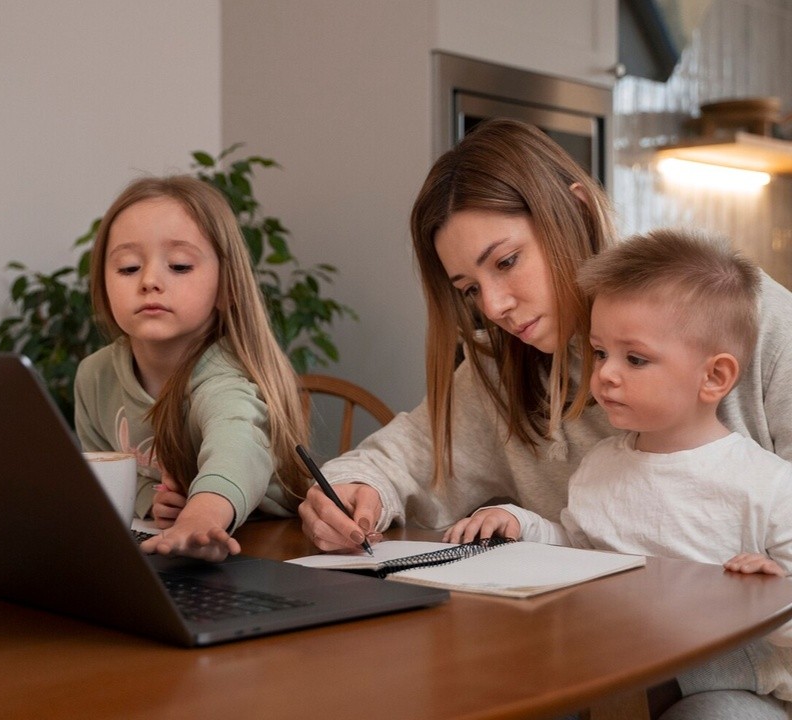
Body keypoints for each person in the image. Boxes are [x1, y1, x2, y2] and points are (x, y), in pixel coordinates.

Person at [296, 118, 792, 719]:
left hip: (752, 675)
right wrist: (357, 488)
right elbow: (399, 458)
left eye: (505, 262)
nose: (495, 306)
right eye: (470, 288)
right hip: (597, 657)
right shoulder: (499, 372)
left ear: (576, 211)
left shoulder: (746, 314)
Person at [462, 229, 792, 717]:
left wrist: (771, 595)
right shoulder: (600, 467)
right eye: (600, 353)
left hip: (738, 687)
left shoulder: (768, 486)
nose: (606, 375)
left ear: (714, 377)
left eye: (634, 359)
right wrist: (522, 525)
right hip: (618, 671)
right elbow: (579, 553)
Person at [75, 175, 309, 562]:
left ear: (226, 286)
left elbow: (237, 447)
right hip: (168, 551)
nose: (149, 281)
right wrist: (151, 501)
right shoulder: (94, 376)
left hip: (268, 550)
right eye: (129, 268)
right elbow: (106, 482)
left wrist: (201, 515)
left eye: (180, 266)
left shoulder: (223, 377)